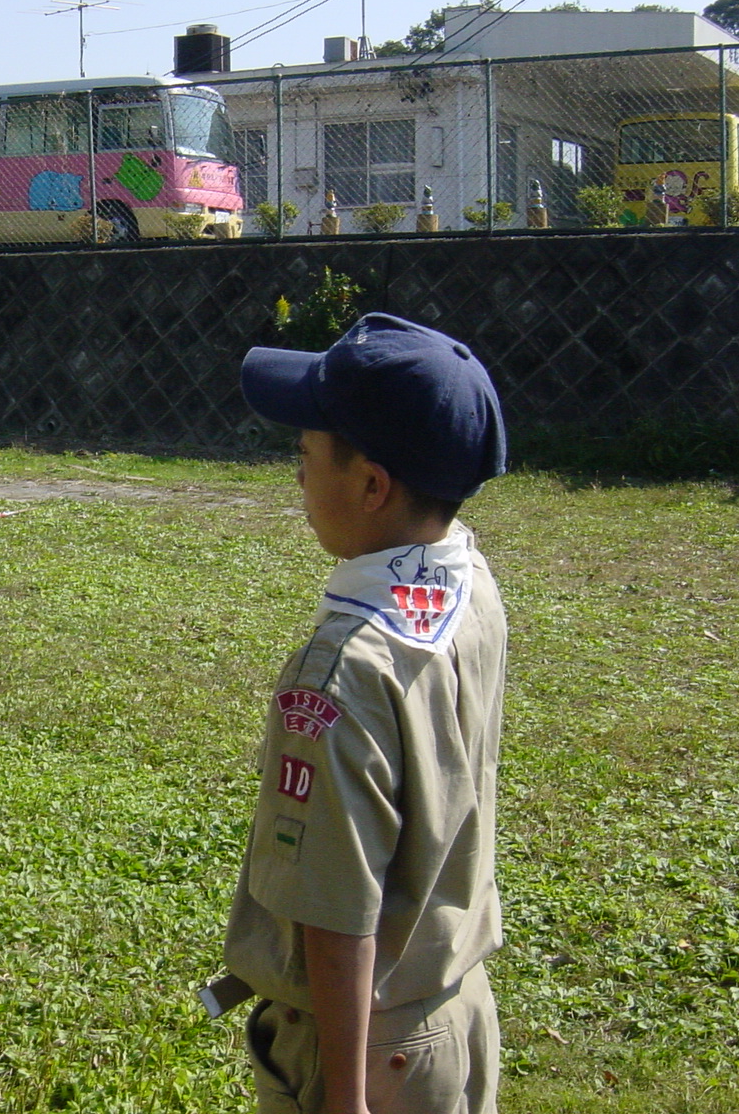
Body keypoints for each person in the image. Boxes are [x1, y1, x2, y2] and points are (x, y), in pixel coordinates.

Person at [218, 313, 509, 1114]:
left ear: (372, 486)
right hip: (456, 1014)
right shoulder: (469, 583)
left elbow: (338, 913)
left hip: (364, 1053)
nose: (298, 476)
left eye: (306, 454)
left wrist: (344, 1099)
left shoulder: (343, 672)